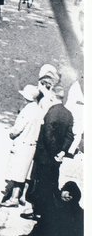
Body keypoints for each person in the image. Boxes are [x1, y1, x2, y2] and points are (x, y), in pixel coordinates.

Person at [24, 79, 74, 221]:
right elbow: (70, 135)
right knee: (52, 183)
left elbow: (47, 135)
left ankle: (38, 212)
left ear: (53, 95)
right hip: (57, 158)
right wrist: (62, 152)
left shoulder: (51, 112)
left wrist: (54, 153)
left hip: (45, 156)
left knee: (41, 185)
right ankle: (49, 212)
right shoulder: (68, 114)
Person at [1, 84, 44, 207]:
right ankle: (21, 196)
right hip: (32, 143)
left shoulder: (27, 110)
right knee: (25, 171)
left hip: (23, 143)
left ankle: (14, 198)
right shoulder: (38, 109)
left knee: (17, 171)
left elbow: (18, 128)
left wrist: (12, 134)